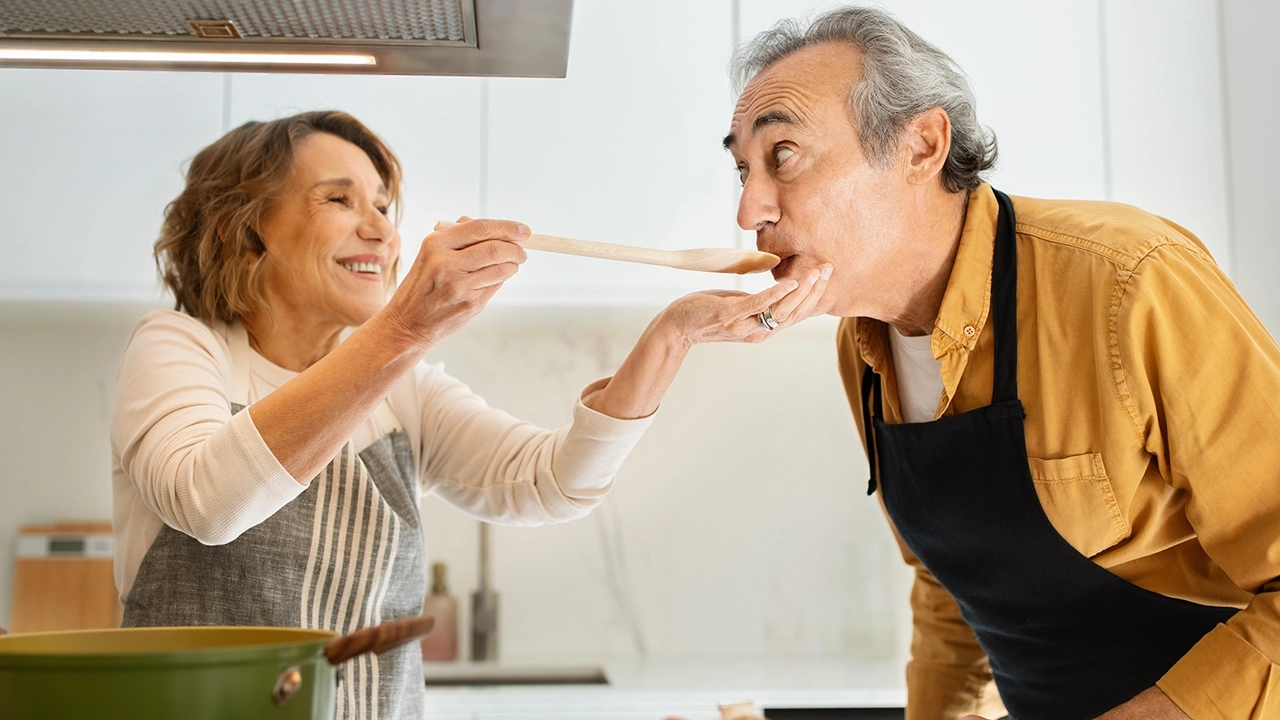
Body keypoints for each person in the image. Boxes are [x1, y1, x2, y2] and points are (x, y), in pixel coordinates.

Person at [110, 110, 831, 720]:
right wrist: (400, 331)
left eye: (384, 207)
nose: (382, 232)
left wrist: (673, 335)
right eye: (340, 200)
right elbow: (207, 502)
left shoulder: (403, 387)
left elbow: (552, 484)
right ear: (247, 230)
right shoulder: (183, 347)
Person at [721, 6, 1280, 720]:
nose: (747, 209)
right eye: (742, 169)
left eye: (783, 155)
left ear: (920, 146)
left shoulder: (1127, 281)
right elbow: (953, 594)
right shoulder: (861, 346)